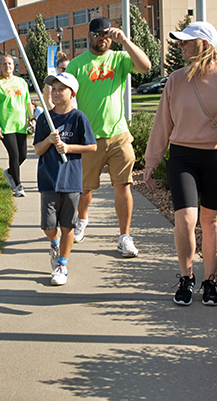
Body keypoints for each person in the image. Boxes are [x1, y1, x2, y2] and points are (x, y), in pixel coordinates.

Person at [143, 21, 217, 306]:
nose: (180, 46)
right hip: (182, 157)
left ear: (203, 44)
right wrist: (151, 160)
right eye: (179, 42)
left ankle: (210, 280)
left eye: (185, 42)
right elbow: (162, 123)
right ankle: (187, 277)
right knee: (185, 219)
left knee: (212, 221)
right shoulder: (175, 80)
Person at [65, 17, 151, 255]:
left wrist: (125, 40)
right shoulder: (77, 65)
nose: (103, 38)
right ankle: (81, 220)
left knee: (123, 185)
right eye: (98, 34)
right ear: (90, 35)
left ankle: (125, 236)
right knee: (85, 189)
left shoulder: (120, 58)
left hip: (119, 135)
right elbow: (67, 97)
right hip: (89, 139)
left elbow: (145, 66)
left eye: (107, 34)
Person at [34, 73, 96, 285]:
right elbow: (37, 150)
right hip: (49, 179)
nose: (56, 92)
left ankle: (62, 264)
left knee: (68, 225)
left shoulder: (78, 118)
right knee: (48, 226)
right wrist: (49, 140)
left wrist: (68, 148)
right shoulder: (45, 118)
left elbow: (92, 146)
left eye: (62, 88)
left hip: (71, 180)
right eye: (54, 88)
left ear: (72, 93)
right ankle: (55, 243)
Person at [0, 55, 34, 197]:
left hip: (20, 125)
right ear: (0, 66)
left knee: (23, 155)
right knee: (14, 154)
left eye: (9, 64)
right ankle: (18, 185)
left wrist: (32, 118)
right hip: (6, 126)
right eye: (4, 64)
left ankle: (9, 172)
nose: (7, 66)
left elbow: (28, 103)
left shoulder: (21, 82)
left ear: (14, 66)